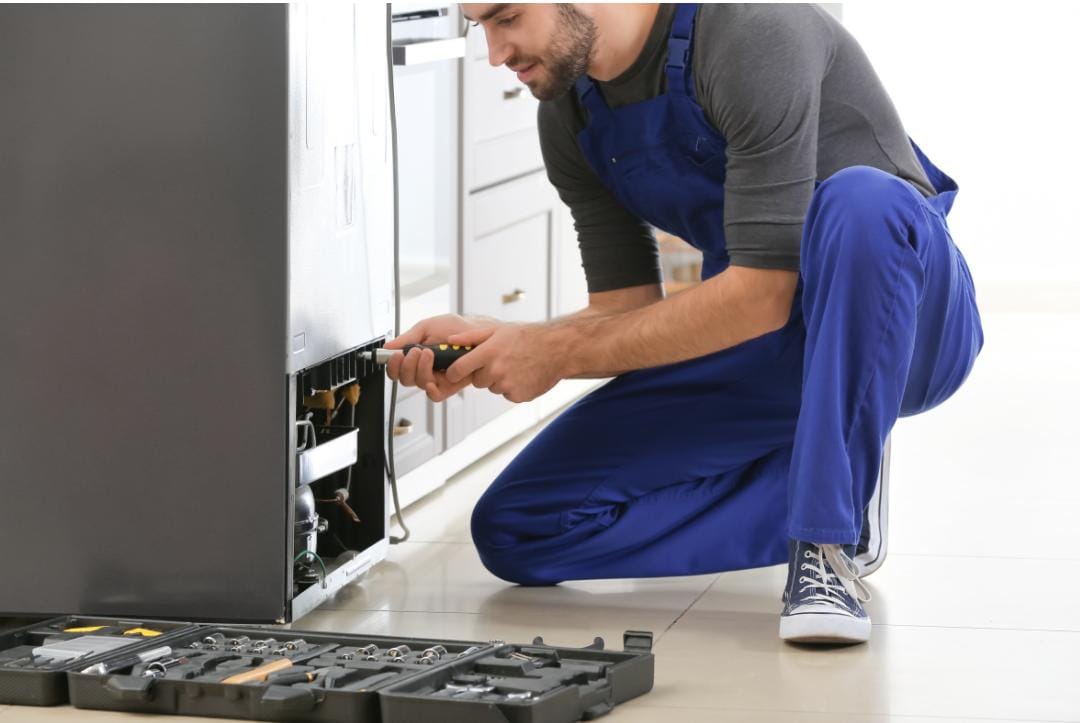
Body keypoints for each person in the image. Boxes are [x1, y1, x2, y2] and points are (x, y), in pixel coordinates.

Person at [383, 3, 984, 645]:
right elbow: (627, 312)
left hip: (909, 324)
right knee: (520, 527)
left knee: (861, 199)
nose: (495, 54)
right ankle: (836, 481)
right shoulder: (569, 114)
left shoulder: (752, 29)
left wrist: (553, 353)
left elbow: (760, 295)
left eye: (506, 17)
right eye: (482, 28)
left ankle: (826, 541)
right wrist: (503, 341)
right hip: (762, 346)